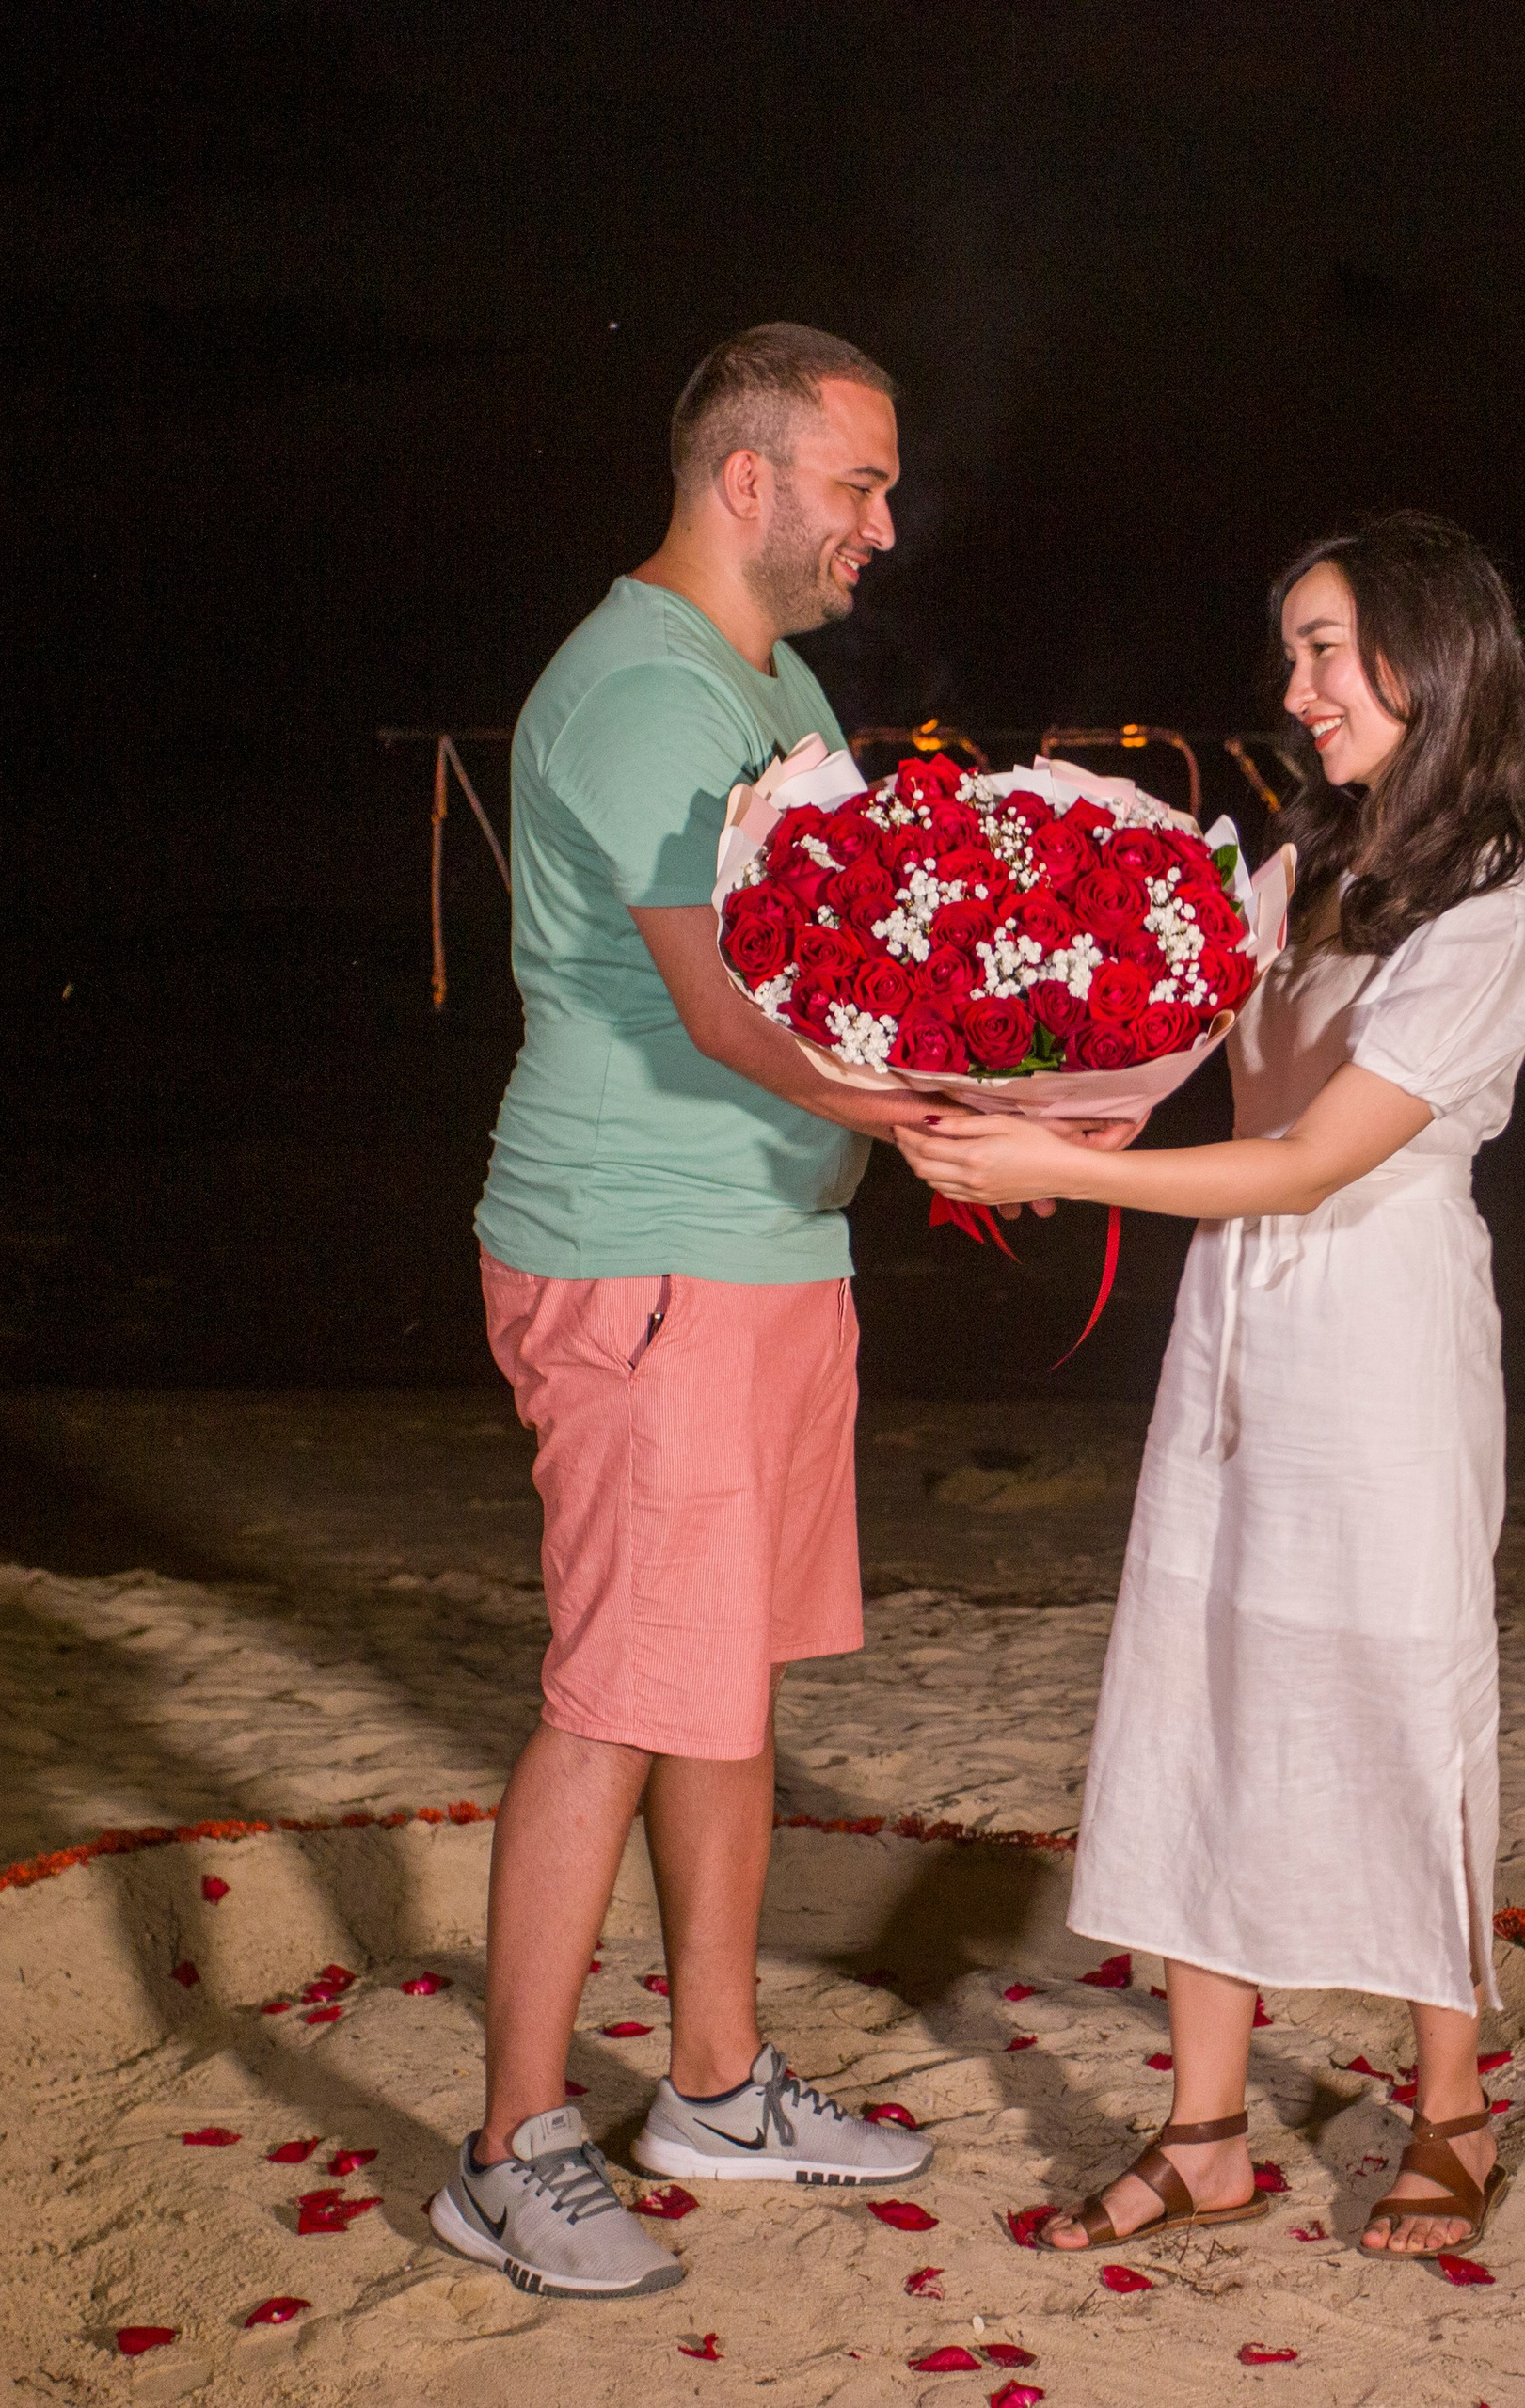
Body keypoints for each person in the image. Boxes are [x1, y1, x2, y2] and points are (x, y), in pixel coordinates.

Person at [898, 511, 1525, 2261]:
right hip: (1238, 1321)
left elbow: (1315, 1159)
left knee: (1401, 1697)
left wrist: (1081, 1172)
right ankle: (1204, 2132)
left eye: (1327, 650)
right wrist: (1018, 1116)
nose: (1299, 690)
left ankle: (1451, 2106)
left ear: (1432, 657)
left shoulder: (1498, 910)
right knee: (1200, 1683)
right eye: (1295, 655)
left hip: (1383, 1332)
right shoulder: (1308, 865)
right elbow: (1169, 1064)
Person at [434, 324, 945, 2300]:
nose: (882, 522)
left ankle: (716, 2087)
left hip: (763, 1248)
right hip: (641, 1255)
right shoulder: (645, 690)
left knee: (719, 1682)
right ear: (749, 479)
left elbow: (840, 951)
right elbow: (731, 1011)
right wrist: (941, 1117)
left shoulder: (772, 680)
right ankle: (509, 2144)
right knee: (615, 1697)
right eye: (858, 482)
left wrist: (976, 1052)